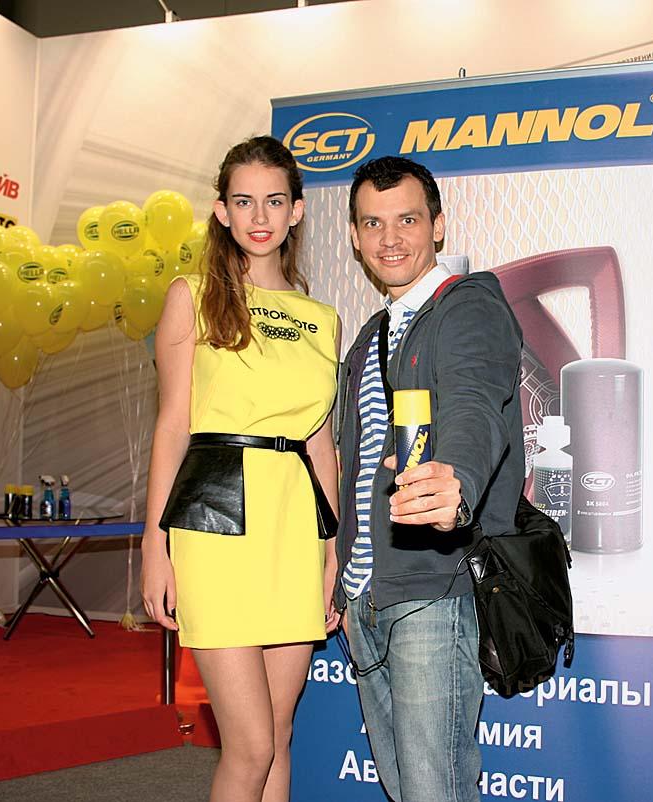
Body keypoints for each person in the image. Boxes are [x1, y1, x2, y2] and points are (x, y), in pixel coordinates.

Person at [140, 136, 340, 802]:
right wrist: (154, 545)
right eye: (244, 201)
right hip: (215, 520)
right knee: (250, 745)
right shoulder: (192, 296)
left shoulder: (323, 319)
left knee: (278, 735)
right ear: (222, 210)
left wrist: (331, 549)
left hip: (295, 526)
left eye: (274, 201)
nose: (260, 216)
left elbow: (321, 445)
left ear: (297, 210)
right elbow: (172, 425)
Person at [334, 156, 524, 802]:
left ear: (438, 227)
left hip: (430, 592)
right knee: (404, 787)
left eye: (408, 220)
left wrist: (457, 480)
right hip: (366, 595)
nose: (390, 238)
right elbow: (357, 467)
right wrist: (343, 576)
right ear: (355, 237)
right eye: (373, 223)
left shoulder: (467, 308)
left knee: (432, 791)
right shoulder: (371, 335)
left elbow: (474, 400)